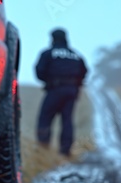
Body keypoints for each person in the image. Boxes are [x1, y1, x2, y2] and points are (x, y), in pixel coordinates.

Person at [35, 28, 88, 157]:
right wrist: (76, 84)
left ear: (53, 38)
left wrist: (49, 81)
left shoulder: (48, 53)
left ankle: (43, 149)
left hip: (55, 89)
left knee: (45, 118)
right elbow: (84, 71)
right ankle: (65, 151)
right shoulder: (75, 54)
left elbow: (39, 71)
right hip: (72, 91)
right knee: (67, 120)